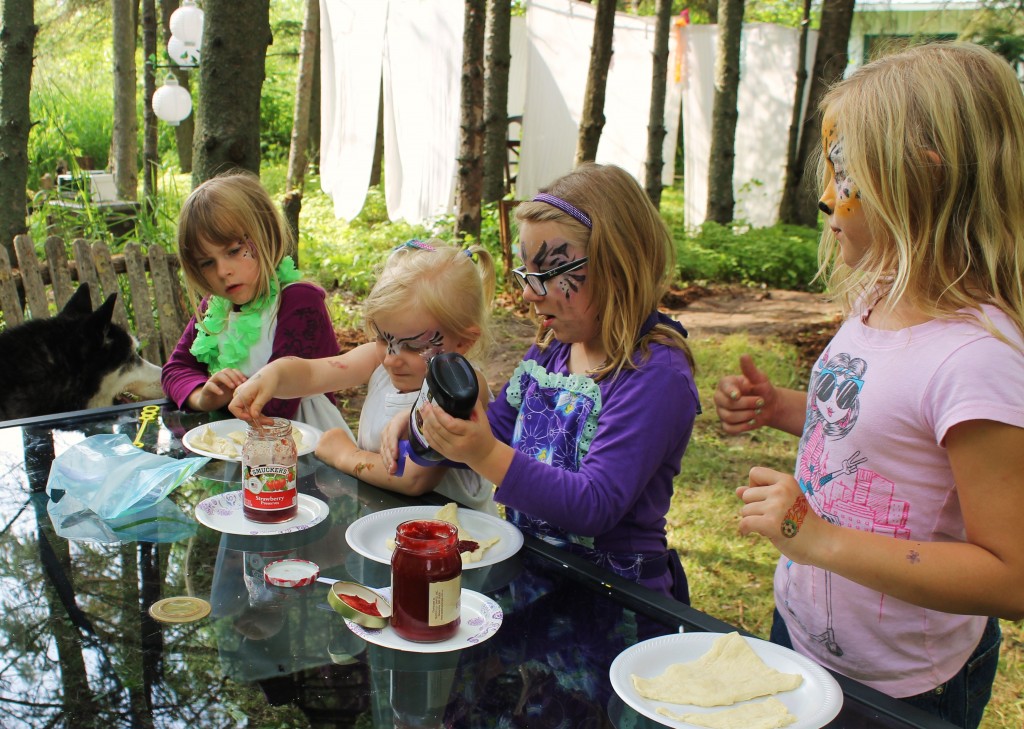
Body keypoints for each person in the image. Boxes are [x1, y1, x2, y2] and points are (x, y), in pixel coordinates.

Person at [713, 42, 1024, 729]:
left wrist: (819, 540)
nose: (827, 195)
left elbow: (1011, 572)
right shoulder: (880, 299)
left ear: (921, 178)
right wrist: (783, 408)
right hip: (804, 631)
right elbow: (873, 428)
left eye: (847, 171)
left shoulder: (977, 358)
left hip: (900, 688)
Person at [383, 163, 700, 601]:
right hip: (534, 584)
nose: (530, 293)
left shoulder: (654, 375)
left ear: (617, 265)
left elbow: (595, 504)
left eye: (549, 271)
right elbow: (493, 430)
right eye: (526, 273)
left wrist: (484, 453)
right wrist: (430, 428)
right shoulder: (550, 352)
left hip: (612, 602)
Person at [229, 239, 499, 513]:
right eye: (383, 338)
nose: (392, 358)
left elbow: (414, 479)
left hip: (462, 542)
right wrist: (271, 376)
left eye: (414, 346)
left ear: (463, 342)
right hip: (387, 526)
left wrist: (346, 455)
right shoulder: (378, 359)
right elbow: (312, 373)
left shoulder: (463, 391)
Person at [161, 171, 350, 433]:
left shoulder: (299, 302)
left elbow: (278, 403)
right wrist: (203, 395)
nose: (222, 271)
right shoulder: (215, 307)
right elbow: (175, 369)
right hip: (236, 445)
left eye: (234, 251)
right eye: (207, 263)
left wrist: (228, 396)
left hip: (304, 449)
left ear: (267, 233)